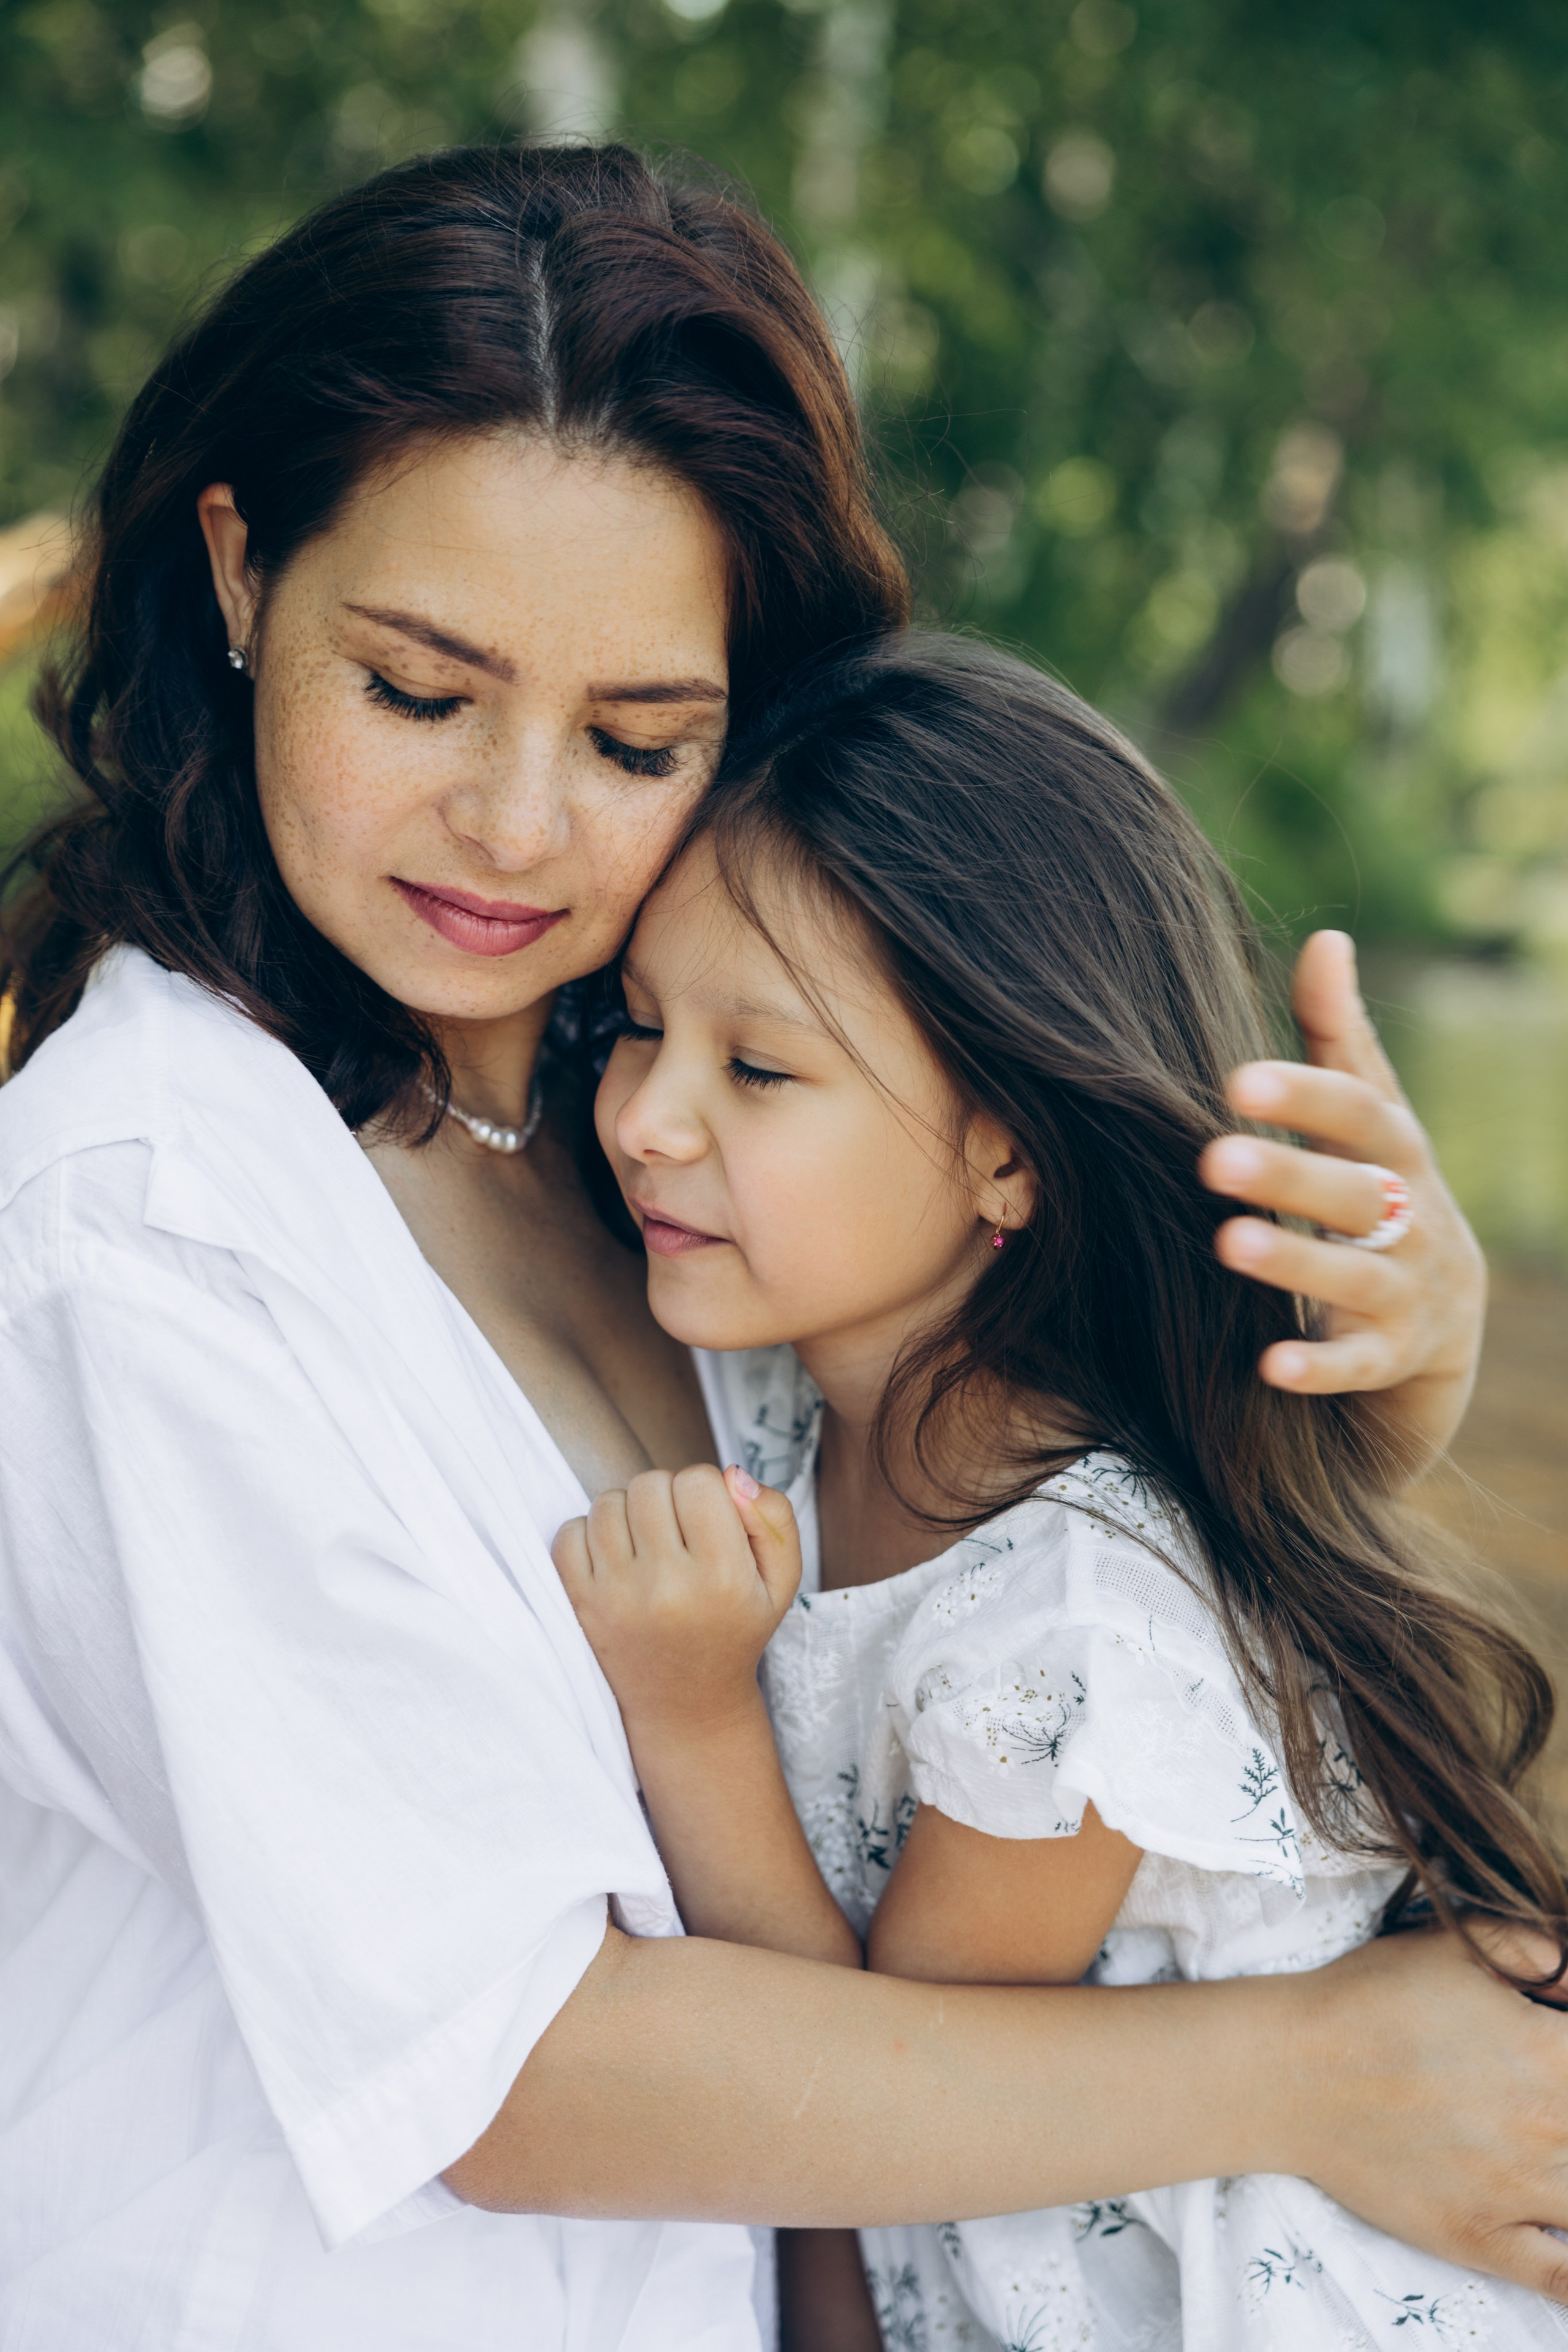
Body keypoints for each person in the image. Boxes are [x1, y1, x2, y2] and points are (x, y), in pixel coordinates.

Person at [0, 138, 1561, 2352]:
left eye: (642, 737)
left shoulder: (627, 1111)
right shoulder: (135, 1231)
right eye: (421, 694)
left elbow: (1023, 1609)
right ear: (241, 578)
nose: (523, 829)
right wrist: (1325, 2074)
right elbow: (510, 2066)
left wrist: (1374, 1374)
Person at [557, 632, 1568, 2351]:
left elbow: (881, 2109)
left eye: (760, 1069)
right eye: (639, 1028)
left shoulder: (1069, 1617)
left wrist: (695, 1718)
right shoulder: (804, 1402)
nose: (647, 1117)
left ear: (1006, 1149)